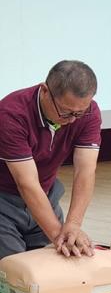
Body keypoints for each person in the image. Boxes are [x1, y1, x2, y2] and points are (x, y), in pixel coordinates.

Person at [0, 60, 101, 259]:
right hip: (4, 200)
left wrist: (73, 225)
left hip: (45, 196)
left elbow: (85, 170)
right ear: (45, 90)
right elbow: (26, 183)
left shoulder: (89, 113)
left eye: (79, 113)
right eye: (65, 111)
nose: (72, 119)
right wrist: (59, 235)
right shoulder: (11, 114)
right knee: (14, 270)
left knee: (56, 267)